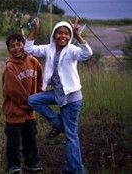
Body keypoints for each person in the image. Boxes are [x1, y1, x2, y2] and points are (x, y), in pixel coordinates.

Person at [25, 18, 93, 174]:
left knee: (71, 136)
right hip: (57, 94)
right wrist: (35, 30)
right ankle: (59, 124)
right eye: (60, 33)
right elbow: (29, 49)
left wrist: (78, 36)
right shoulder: (49, 48)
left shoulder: (72, 50)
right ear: (54, 35)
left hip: (71, 97)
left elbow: (87, 53)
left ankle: (75, 170)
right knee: (32, 100)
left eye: (66, 34)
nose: (63, 36)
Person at [2, 34, 44, 173]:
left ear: (24, 45)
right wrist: (30, 104)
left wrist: (38, 97)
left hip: (30, 112)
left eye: (19, 44)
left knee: (30, 139)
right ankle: (13, 165)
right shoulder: (10, 67)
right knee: (13, 141)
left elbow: (40, 81)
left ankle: (31, 163)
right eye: (12, 46)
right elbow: (14, 91)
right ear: (8, 49)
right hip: (14, 111)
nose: (16, 48)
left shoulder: (33, 61)